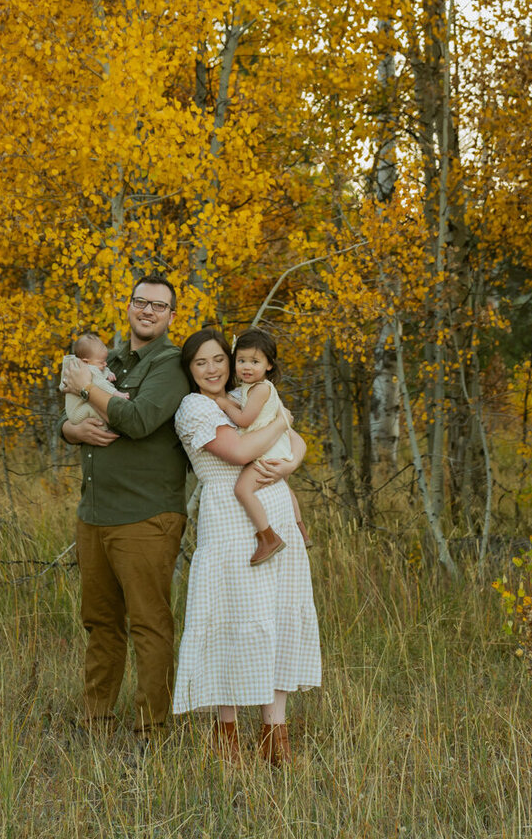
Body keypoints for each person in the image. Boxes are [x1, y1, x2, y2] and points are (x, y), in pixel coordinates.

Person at [172, 328, 321, 766]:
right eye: (202, 363)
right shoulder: (194, 407)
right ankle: (227, 738)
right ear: (190, 370)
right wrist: (281, 421)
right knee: (235, 619)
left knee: (277, 617)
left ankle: (275, 739)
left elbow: (295, 444)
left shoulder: (246, 394)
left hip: (272, 505)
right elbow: (239, 452)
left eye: (220, 359)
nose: (214, 368)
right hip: (229, 517)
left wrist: (291, 459)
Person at [59, 278, 188, 739]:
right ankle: (96, 722)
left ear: (172, 316)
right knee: (100, 623)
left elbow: (136, 420)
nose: (147, 311)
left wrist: (89, 390)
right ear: (128, 307)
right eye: (140, 302)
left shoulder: (170, 366)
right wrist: (70, 431)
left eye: (159, 305)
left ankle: (151, 730)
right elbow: (71, 411)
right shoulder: (108, 360)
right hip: (94, 513)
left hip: (146, 517)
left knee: (149, 625)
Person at [212, 327, 309, 564]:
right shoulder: (253, 388)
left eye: (254, 361)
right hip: (275, 447)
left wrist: (224, 404)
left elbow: (245, 419)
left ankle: (268, 537)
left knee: (242, 490)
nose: (246, 366)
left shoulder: (261, 389)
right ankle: (300, 530)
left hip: (268, 451)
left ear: (268, 365)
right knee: (285, 488)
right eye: (241, 360)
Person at [60, 331, 128, 430]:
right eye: (101, 362)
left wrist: (107, 372)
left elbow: (100, 371)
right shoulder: (88, 370)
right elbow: (101, 384)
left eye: (105, 361)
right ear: (85, 361)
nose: (105, 364)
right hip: (78, 412)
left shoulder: (84, 365)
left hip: (75, 410)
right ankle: (104, 429)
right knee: (98, 410)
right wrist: (117, 394)